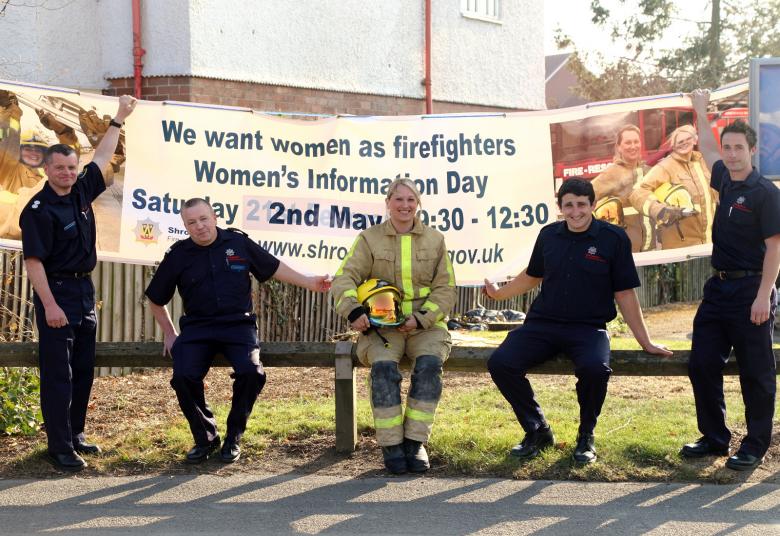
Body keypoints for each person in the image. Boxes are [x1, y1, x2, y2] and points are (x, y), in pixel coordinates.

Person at [485, 178, 672, 464]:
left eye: (581, 204)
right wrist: (499, 294)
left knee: (595, 370)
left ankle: (586, 436)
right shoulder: (548, 235)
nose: (575, 212)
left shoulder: (613, 239)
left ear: (593, 205)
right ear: (560, 207)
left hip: (588, 328)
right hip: (543, 325)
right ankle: (537, 430)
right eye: (568, 205)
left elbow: (624, 293)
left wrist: (644, 341)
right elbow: (532, 275)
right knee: (500, 363)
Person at [145, 198, 330, 464]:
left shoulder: (238, 243)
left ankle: (233, 438)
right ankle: (206, 438)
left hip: (238, 325)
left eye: (204, 219)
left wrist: (309, 282)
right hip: (198, 327)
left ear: (215, 217)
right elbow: (155, 297)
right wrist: (170, 333)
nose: (199, 227)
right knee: (183, 376)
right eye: (192, 223)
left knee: (251, 373)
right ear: (185, 226)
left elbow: (273, 267)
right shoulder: (178, 255)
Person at [19, 95, 137, 472]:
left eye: (71, 166)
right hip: (56, 293)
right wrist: (50, 306)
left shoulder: (82, 191)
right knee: (59, 374)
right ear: (47, 169)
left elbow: (101, 158)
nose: (68, 173)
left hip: (84, 290)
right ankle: (59, 447)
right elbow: (33, 262)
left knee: (84, 368)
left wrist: (118, 117)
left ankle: (76, 433)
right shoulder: (38, 211)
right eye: (60, 168)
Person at [680, 90, 780, 471]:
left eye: (739, 147)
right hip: (718, 289)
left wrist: (763, 296)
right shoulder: (723, 177)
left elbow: (775, 250)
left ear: (752, 150)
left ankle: (755, 445)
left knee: (756, 373)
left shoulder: (765, 194)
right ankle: (715, 438)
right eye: (728, 147)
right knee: (702, 363)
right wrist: (700, 111)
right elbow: (706, 147)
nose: (732, 153)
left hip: (751, 291)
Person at [331, 178, 456, 474]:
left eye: (411, 200)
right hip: (381, 328)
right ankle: (391, 446)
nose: (405, 206)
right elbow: (343, 278)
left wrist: (422, 318)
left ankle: (415, 443)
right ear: (388, 203)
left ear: (419, 204)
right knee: (384, 371)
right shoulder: (368, 238)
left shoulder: (435, 240)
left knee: (428, 367)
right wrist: (353, 311)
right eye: (398, 199)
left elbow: (446, 288)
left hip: (425, 326)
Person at [630, 124, 717, 250]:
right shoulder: (665, 167)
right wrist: (660, 210)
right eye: (680, 141)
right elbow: (637, 193)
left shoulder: (702, 163)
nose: (684, 143)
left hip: (710, 243)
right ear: (673, 145)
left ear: (694, 140)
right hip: (682, 247)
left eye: (688, 139)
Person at [591, 125, 654, 252]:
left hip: (650, 248)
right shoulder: (611, 173)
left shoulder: (649, 172)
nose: (633, 146)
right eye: (628, 142)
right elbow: (585, 198)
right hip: (624, 250)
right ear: (619, 147)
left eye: (636, 142)